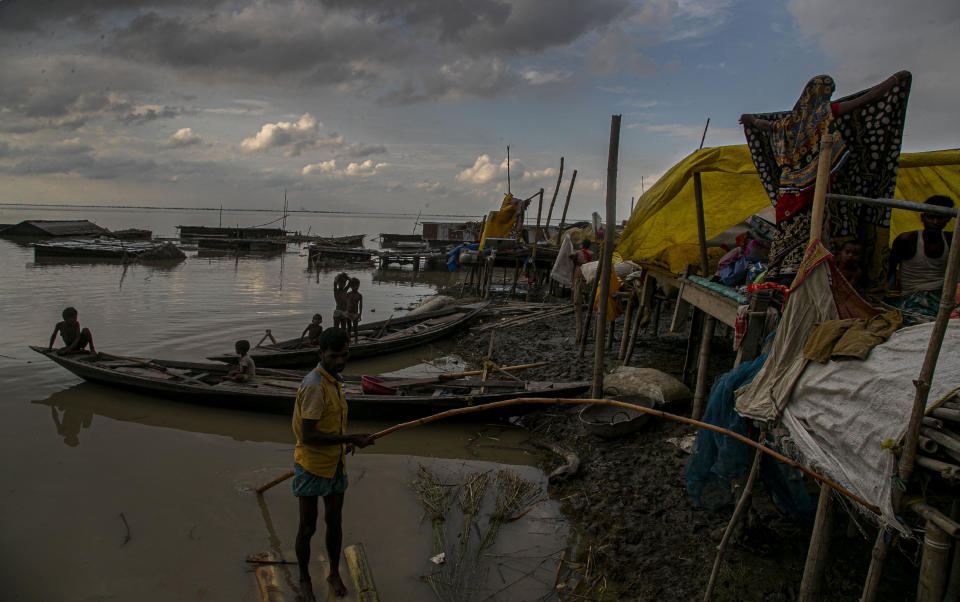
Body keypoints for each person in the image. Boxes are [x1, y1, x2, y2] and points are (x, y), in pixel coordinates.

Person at [741, 71, 911, 294]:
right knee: (812, 236)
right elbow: (864, 101)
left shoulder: (786, 124)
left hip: (786, 194)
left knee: (786, 236)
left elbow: (763, 125)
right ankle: (803, 282)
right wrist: (895, 81)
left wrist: (749, 119)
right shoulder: (825, 114)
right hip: (811, 192)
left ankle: (781, 278)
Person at [293, 328, 374, 600]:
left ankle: (334, 572)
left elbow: (330, 424)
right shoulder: (315, 385)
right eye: (334, 356)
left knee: (335, 521)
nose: (340, 361)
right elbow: (309, 435)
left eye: (345, 354)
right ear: (321, 354)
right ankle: (304, 579)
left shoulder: (333, 380)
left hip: (335, 462)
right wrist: (350, 437)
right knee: (307, 527)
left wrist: (344, 443)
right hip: (312, 465)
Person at [889, 195, 956, 316]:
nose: (935, 222)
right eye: (931, 217)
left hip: (943, 296)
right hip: (913, 297)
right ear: (922, 217)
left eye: (940, 218)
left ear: (948, 219)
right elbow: (889, 271)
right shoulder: (906, 240)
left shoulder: (951, 240)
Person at [345, 278, 363, 342]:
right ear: (351, 286)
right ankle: (348, 339)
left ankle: (356, 339)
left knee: (355, 328)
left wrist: (360, 314)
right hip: (348, 313)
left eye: (357, 286)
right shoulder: (348, 294)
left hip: (355, 313)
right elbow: (345, 303)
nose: (356, 287)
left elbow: (360, 306)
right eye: (354, 286)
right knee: (349, 328)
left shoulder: (359, 295)